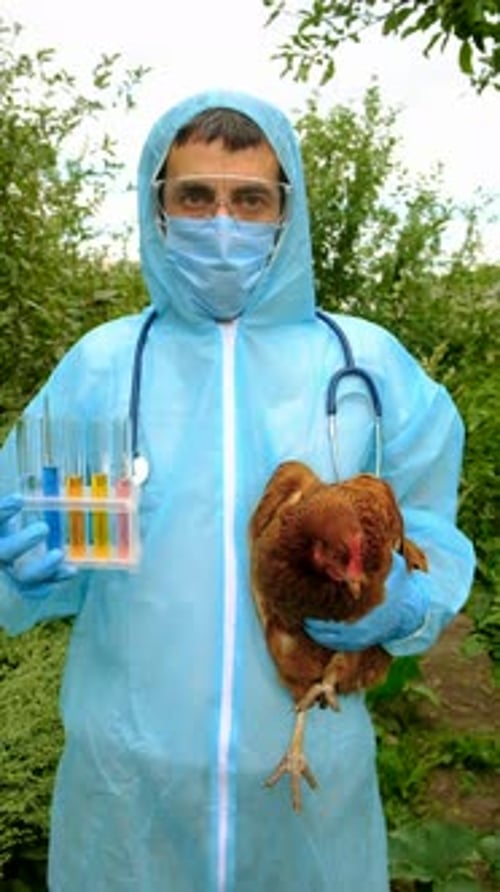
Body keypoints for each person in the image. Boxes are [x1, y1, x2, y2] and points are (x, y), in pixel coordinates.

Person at [0, 90, 475, 891]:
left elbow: (432, 522)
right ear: (158, 207)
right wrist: (16, 565)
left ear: (286, 212)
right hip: (129, 784)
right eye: (195, 196)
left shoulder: (365, 364)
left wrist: (407, 600)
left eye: (249, 199)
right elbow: (25, 523)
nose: (222, 222)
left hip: (303, 774)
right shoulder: (104, 365)